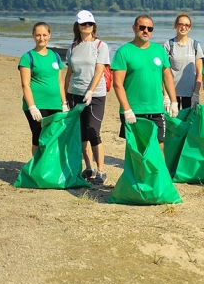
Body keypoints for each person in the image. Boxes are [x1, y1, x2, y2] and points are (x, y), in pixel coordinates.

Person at [112, 15, 179, 152]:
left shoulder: (159, 50)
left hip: (156, 108)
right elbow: (117, 84)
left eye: (149, 28)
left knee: (159, 146)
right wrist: (127, 110)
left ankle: (158, 174)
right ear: (134, 28)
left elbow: (167, 78)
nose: (146, 31)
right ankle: (137, 174)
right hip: (133, 110)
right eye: (142, 27)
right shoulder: (123, 52)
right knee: (136, 148)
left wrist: (173, 101)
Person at [64, 10, 111, 184]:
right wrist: (65, 97)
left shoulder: (100, 46)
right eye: (84, 24)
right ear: (78, 25)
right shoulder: (73, 47)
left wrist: (90, 90)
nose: (87, 27)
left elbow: (100, 69)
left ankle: (101, 170)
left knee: (93, 131)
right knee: (81, 133)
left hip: (95, 95)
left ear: (94, 26)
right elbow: (69, 73)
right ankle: (89, 168)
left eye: (90, 24)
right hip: (74, 93)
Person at [18, 22, 68, 154]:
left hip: (56, 104)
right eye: (38, 35)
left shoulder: (55, 56)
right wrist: (32, 107)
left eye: (44, 35)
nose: (41, 38)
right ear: (33, 36)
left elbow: (60, 82)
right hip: (37, 104)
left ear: (49, 35)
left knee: (53, 138)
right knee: (39, 137)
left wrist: (64, 103)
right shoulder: (27, 57)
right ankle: (36, 170)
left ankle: (49, 169)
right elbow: (25, 85)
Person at [163, 13, 204, 109]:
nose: (183, 27)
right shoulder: (168, 45)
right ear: (175, 25)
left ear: (190, 28)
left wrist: (196, 94)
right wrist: (165, 95)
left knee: (188, 122)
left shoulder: (195, 45)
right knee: (173, 122)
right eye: (180, 24)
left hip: (190, 93)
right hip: (172, 93)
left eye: (187, 25)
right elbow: (164, 72)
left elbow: (199, 73)